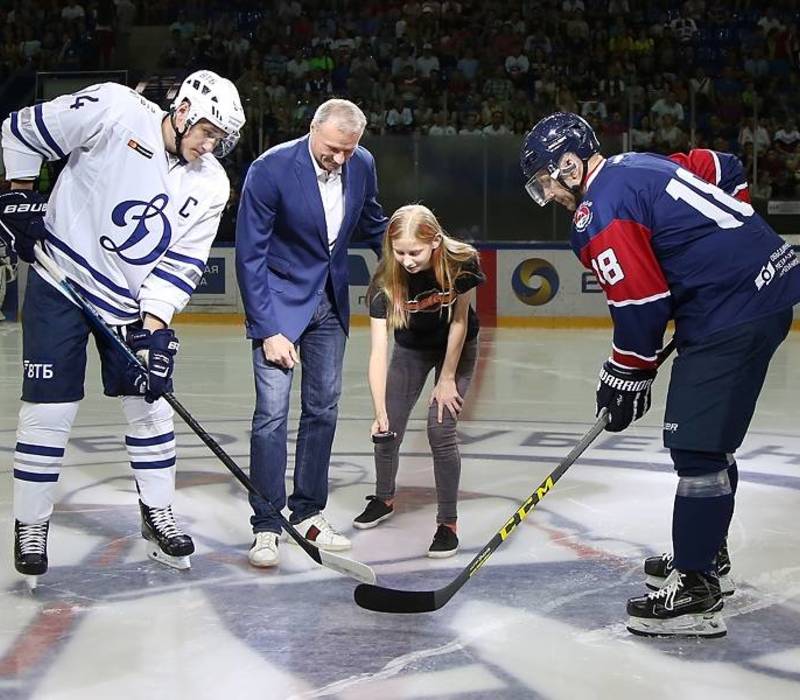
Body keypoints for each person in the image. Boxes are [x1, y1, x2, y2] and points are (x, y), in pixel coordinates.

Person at [519, 112, 800, 638]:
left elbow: (643, 305)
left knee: (694, 446)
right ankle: (705, 553)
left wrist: (625, 374)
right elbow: (722, 166)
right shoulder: (637, 164)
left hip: (732, 312)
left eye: (547, 182)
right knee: (707, 441)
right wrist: (735, 238)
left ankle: (696, 589)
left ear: (570, 164)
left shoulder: (599, 212)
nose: (549, 194)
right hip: (755, 294)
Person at [0, 70, 245, 578]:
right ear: (181, 110)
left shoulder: (212, 183)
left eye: (218, 140)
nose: (209, 147)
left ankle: (157, 514)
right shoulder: (114, 108)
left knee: (151, 408)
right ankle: (31, 522)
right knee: (50, 412)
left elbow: (181, 263)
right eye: (206, 133)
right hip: (59, 278)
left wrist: (155, 329)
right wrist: (17, 194)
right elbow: (20, 129)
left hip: (130, 304)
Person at [235, 98, 388, 569]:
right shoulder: (270, 168)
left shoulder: (362, 164)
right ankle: (266, 523)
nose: (340, 159)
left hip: (331, 305)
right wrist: (267, 330)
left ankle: (308, 512)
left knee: (323, 409)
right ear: (312, 130)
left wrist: (415, 249)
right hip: (279, 308)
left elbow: (372, 224)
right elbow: (249, 255)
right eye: (332, 149)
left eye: (348, 150)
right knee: (272, 415)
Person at [352, 204, 484, 557]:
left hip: (456, 349)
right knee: (386, 428)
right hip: (410, 350)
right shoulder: (385, 281)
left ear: (435, 243)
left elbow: (460, 322)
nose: (407, 260)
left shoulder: (461, 263)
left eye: (415, 252)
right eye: (400, 252)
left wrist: (447, 378)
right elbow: (378, 351)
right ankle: (383, 498)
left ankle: (447, 523)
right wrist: (379, 410)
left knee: (440, 429)